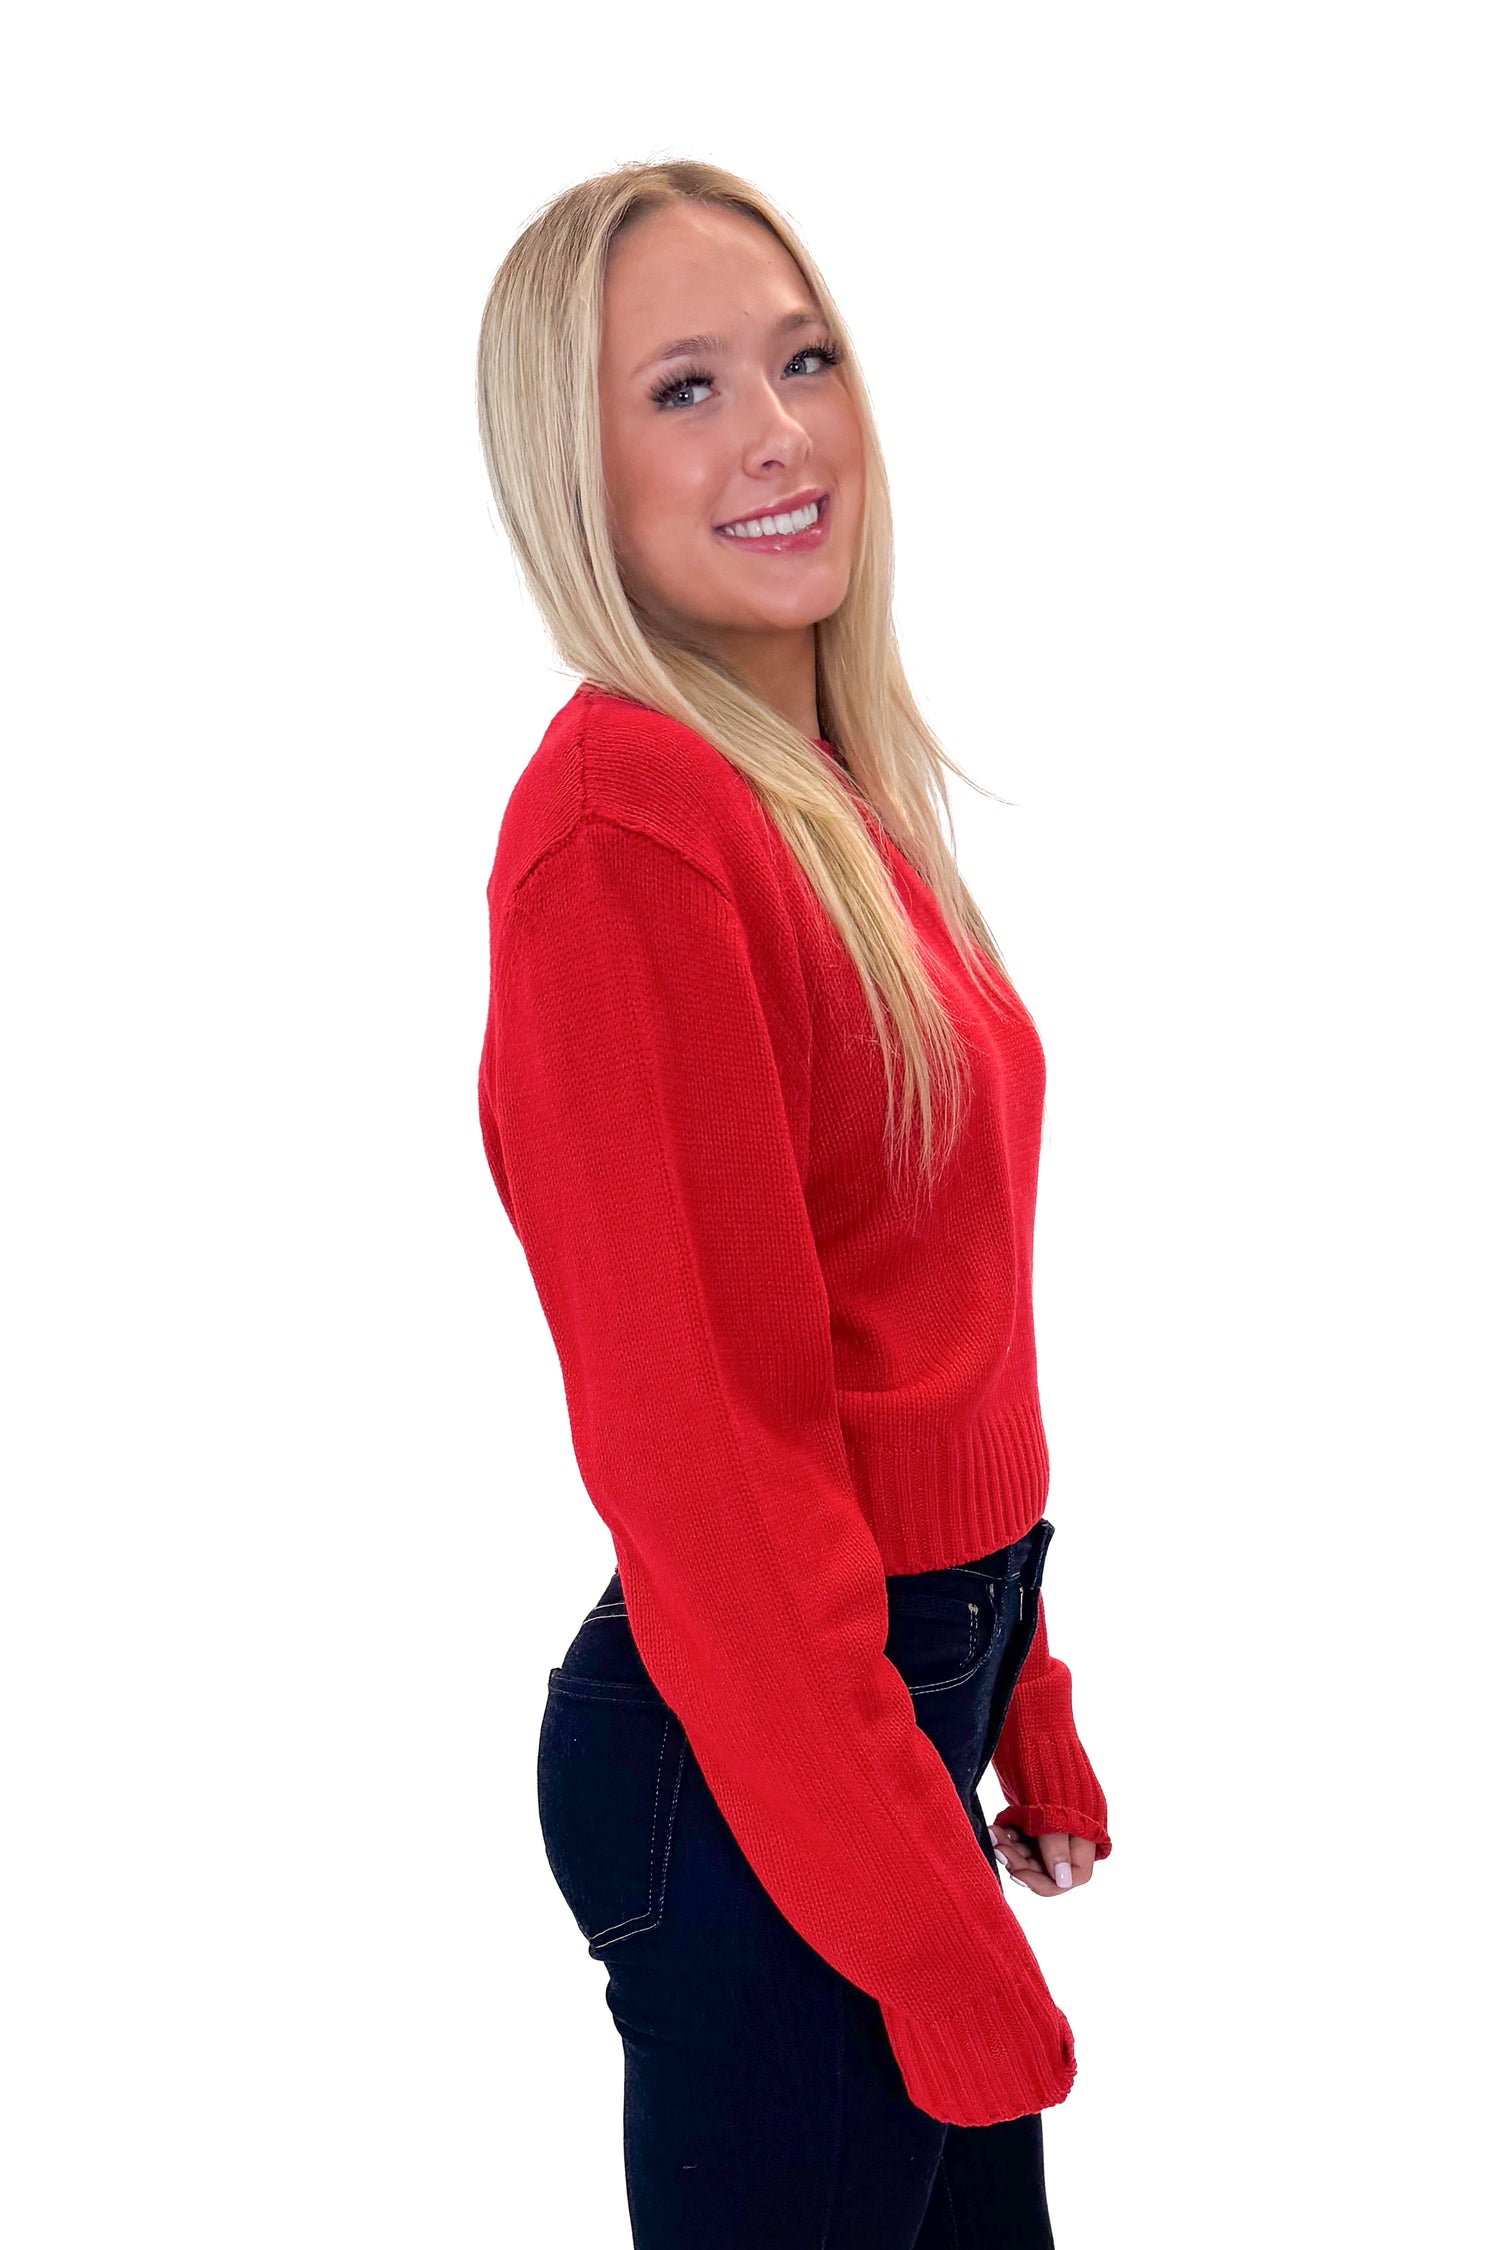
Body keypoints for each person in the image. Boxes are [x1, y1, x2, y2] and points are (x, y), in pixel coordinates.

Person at [474, 158, 1113, 2249]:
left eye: (803, 357)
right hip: (757, 1764)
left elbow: (910, 1314)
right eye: (681, 388)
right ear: (568, 468)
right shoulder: (630, 827)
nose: (777, 434)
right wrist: (927, 1933)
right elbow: (714, 1471)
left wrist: (1017, 1677)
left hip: (880, 1717)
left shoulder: (818, 793)